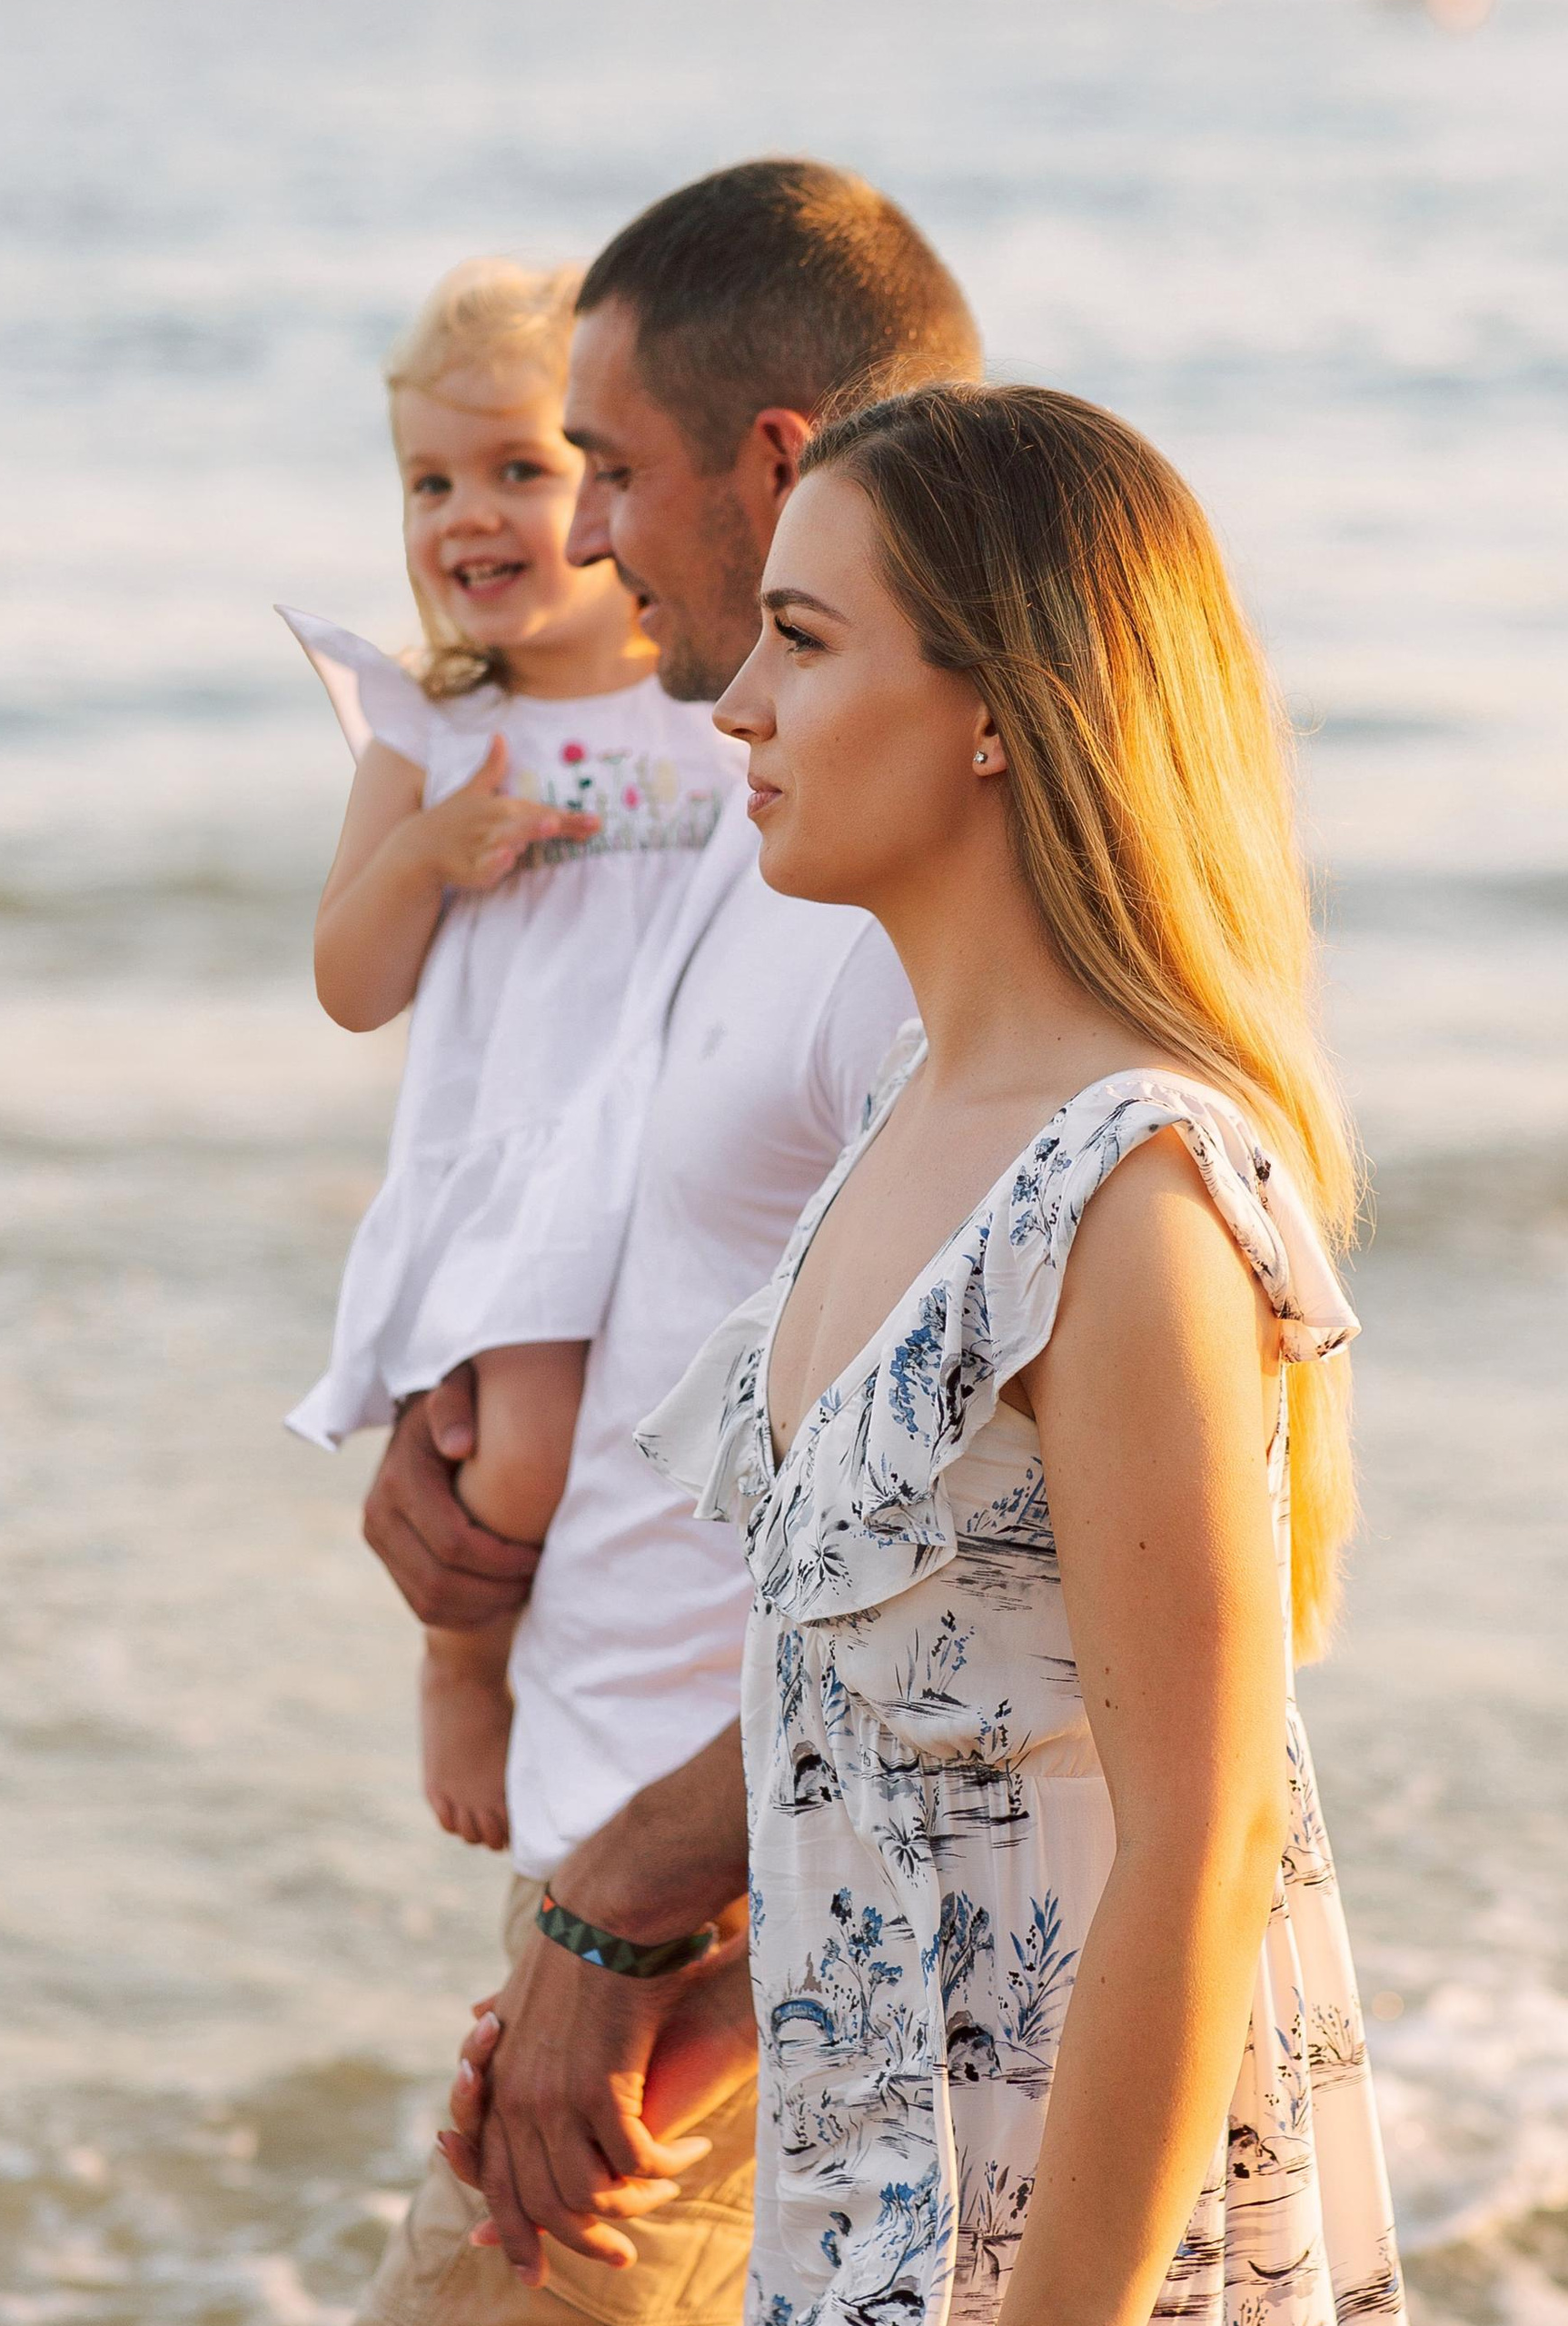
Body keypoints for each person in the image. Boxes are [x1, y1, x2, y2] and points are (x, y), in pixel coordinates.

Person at [638, 383, 1410, 2321]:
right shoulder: (905, 1120)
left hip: (1056, 2264)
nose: (734, 702)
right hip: (852, 2236)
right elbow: (891, 1773)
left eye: (802, 643)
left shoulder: (1126, 1195)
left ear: (997, 708)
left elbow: (1201, 1839)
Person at [350, 163, 980, 2326]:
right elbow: (654, 1246)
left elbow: (1006, 1545)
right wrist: (466, 1475)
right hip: (642, 1874)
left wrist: (638, 1915)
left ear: (778, 464)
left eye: (606, 465)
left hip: (722, 1939)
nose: (587, 530)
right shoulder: (753, 814)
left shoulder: (917, 915)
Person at [284, 258, 747, 1851]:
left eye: (522, 471)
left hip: (679, 1157)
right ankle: (461, 1661)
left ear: (615, 488)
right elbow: (350, 983)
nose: (464, 514)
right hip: (523, 1175)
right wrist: (429, 856)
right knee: (529, 1460)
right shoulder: (433, 730)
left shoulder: (707, 706)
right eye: (429, 479)